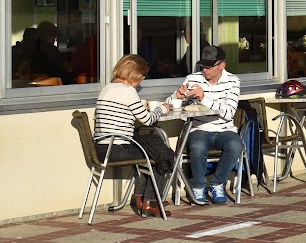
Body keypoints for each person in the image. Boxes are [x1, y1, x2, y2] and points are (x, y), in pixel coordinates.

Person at [94, 55, 174, 217]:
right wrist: (162, 109)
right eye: (141, 77)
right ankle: (150, 202)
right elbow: (147, 120)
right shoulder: (128, 91)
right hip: (117, 148)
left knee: (151, 146)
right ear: (135, 75)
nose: (141, 81)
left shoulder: (106, 88)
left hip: (101, 147)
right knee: (161, 154)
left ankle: (142, 198)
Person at [167, 44, 242, 205]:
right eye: (203, 65)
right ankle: (198, 186)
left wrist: (203, 98)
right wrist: (178, 96)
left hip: (224, 129)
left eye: (209, 66)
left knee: (236, 144)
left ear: (222, 65)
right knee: (198, 145)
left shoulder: (233, 81)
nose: (205, 70)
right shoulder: (193, 78)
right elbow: (170, 105)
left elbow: (229, 113)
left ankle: (217, 184)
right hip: (199, 128)